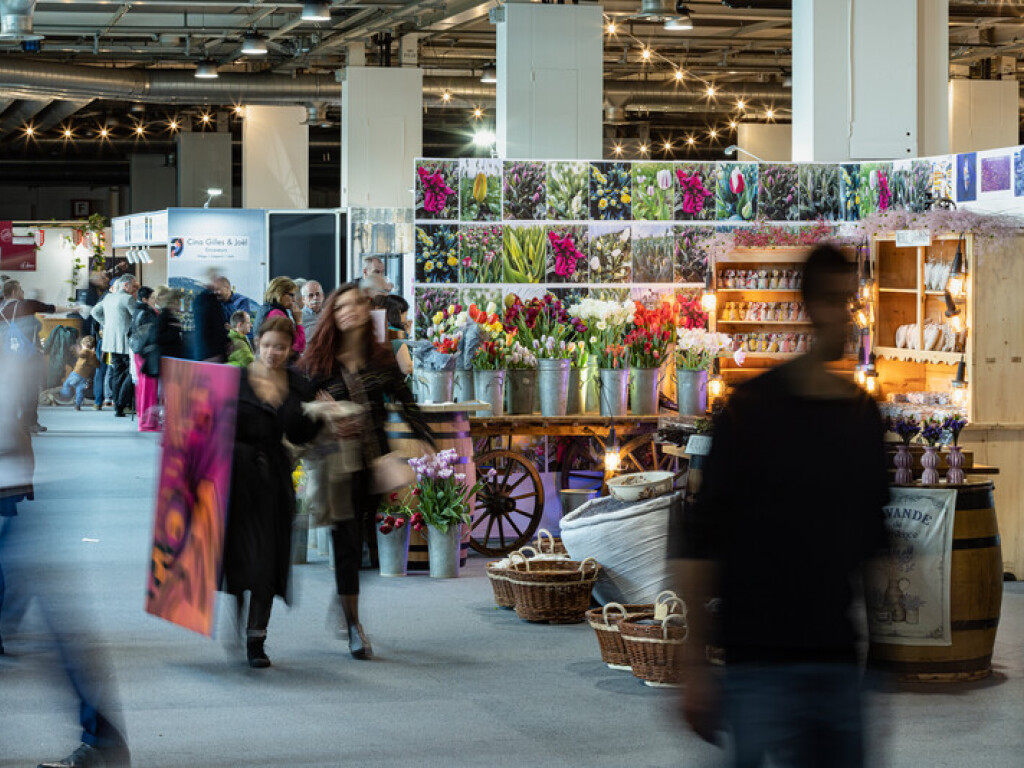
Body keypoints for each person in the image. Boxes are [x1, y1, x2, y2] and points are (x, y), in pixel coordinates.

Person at [674, 244, 889, 768]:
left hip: (836, 658)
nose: (849, 318)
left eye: (852, 303)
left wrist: (882, 653)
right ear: (811, 305)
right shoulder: (750, 412)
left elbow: (872, 542)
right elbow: (699, 542)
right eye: (837, 301)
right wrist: (694, 665)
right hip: (758, 659)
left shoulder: (862, 417)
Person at [0, 342, 130, 768]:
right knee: (56, 629)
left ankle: (103, 740)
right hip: (18, 496)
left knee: (58, 629)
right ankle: (103, 740)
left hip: (14, 496)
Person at [299, 284, 433, 659]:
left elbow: (405, 400)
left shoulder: (379, 358)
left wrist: (425, 438)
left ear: (365, 311)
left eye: (355, 305)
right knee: (346, 543)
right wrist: (321, 411)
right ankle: (354, 626)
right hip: (337, 465)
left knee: (362, 544)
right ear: (332, 314)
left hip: (374, 463)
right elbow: (298, 405)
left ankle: (345, 600)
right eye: (340, 307)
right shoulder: (320, 361)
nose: (349, 312)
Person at [221, 316, 319, 668]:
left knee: (268, 560)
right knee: (239, 558)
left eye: (280, 347)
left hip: (274, 480)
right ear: (257, 343)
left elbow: (302, 432)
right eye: (267, 346)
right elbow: (212, 422)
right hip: (237, 478)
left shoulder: (297, 384)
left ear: (291, 349)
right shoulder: (237, 379)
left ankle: (256, 639)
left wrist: (320, 414)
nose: (273, 353)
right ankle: (236, 616)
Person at [0, 279, 75, 432]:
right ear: (14, 292)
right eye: (20, 289)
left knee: (14, 389)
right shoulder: (26, 305)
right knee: (31, 389)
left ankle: (13, 423)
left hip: (9, 357)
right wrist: (75, 309)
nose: (23, 291)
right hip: (29, 356)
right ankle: (30, 422)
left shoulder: (1, 310)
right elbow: (51, 308)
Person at [91, 274, 139, 418]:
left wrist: (106, 324)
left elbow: (94, 312)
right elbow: (136, 318)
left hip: (110, 341)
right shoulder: (128, 299)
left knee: (117, 373)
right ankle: (123, 403)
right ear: (126, 285)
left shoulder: (108, 298)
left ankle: (118, 406)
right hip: (124, 341)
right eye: (133, 286)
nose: (134, 289)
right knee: (129, 372)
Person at [130, 286, 160, 431]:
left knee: (142, 387)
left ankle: (144, 419)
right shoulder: (147, 313)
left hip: (139, 351)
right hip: (146, 352)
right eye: (152, 298)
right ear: (144, 299)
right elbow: (151, 334)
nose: (155, 300)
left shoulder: (138, 311)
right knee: (148, 388)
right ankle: (148, 422)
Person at [254, 276, 306, 357]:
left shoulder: (266, 309)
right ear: (280, 293)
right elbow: (298, 346)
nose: (294, 300)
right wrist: (299, 322)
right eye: (291, 295)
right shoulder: (277, 315)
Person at [83, 271, 110, 410]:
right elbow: (93, 316)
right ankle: (105, 399)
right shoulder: (105, 296)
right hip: (104, 340)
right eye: (103, 278)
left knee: (101, 370)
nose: (105, 279)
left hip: (100, 338)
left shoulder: (100, 294)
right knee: (107, 369)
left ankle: (99, 400)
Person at [192, 270, 229, 363]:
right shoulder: (208, 300)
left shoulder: (201, 299)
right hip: (212, 354)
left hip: (208, 353)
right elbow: (211, 326)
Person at [60, 335, 99, 411]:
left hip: (76, 373)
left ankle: (64, 396)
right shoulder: (93, 355)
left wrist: (78, 351)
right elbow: (97, 365)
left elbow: (82, 354)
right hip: (84, 377)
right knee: (79, 390)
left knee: (67, 384)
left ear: (85, 345)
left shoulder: (86, 351)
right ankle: (78, 405)